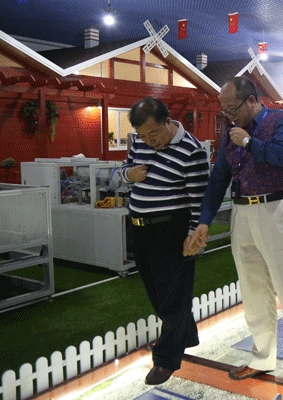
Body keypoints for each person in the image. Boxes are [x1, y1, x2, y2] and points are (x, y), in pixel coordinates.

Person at [187, 77, 283, 380]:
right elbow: (219, 177)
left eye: (232, 109)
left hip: (279, 208)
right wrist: (204, 220)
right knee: (252, 290)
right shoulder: (232, 133)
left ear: (252, 100)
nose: (228, 116)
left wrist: (248, 142)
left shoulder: (281, 120)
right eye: (224, 110)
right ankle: (262, 358)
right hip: (243, 212)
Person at [120, 97, 209, 385]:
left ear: (168, 122)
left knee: (172, 294)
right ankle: (187, 334)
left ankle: (166, 359)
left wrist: (193, 234)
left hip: (171, 229)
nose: (149, 141)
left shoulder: (192, 150)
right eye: (143, 135)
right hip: (139, 228)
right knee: (158, 292)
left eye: (153, 133)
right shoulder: (139, 143)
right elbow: (122, 171)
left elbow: (199, 199)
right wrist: (127, 175)